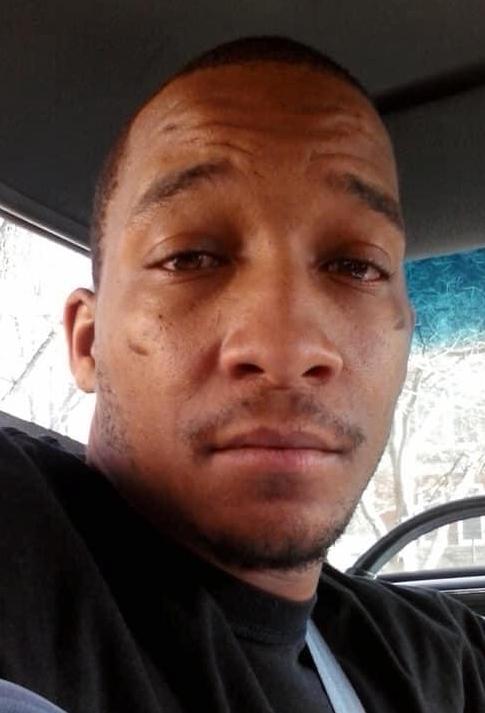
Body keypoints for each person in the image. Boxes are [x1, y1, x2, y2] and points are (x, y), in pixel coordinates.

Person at [0, 36, 483, 713]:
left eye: (356, 265)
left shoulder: (442, 660)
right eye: (189, 256)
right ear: (88, 342)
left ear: (406, 327)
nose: (286, 347)